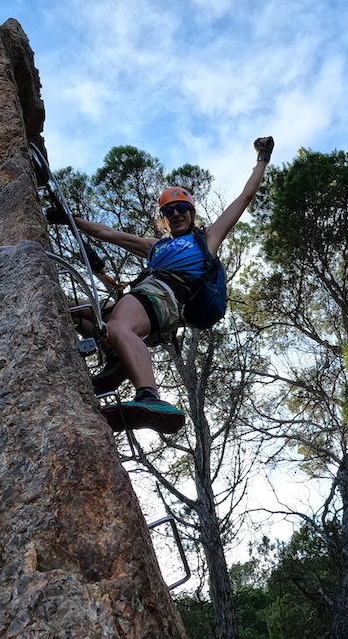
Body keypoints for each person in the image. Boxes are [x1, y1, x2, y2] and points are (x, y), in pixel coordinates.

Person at [72, 137, 274, 434]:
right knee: (78, 313)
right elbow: (108, 233)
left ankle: (149, 396)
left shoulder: (206, 240)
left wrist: (262, 160)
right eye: (169, 211)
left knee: (118, 326)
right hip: (150, 301)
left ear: (191, 212)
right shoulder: (155, 246)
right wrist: (68, 218)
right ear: (163, 219)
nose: (176, 214)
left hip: (166, 297)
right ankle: (117, 360)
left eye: (181, 208)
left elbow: (244, 197)